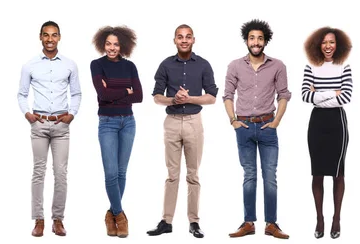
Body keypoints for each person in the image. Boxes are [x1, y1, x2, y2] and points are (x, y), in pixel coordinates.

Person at [146, 24, 218, 239]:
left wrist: (190, 98)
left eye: (188, 37)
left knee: (193, 174)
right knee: (172, 175)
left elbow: (212, 97)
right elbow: (157, 96)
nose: (184, 40)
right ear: (174, 40)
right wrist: (173, 99)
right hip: (172, 122)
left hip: (194, 122)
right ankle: (166, 221)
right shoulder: (165, 65)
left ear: (193, 40)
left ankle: (194, 222)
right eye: (180, 37)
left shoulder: (203, 65)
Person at [223, 19, 291, 239]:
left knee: (270, 176)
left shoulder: (278, 65)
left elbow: (283, 95)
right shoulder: (234, 66)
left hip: (267, 126)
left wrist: (277, 121)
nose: (256, 42)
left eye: (260, 38)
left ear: (265, 41)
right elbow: (227, 95)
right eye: (252, 38)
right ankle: (248, 223)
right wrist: (233, 120)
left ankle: (271, 224)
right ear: (246, 40)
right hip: (243, 127)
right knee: (249, 175)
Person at [17, 20, 82, 237]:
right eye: (46, 35)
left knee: (61, 173)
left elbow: (76, 93)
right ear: (40, 37)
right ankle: (39, 220)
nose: (50, 39)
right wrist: (28, 114)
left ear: (59, 37)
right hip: (39, 124)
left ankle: (58, 219)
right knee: (38, 172)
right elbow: (22, 94)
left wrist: (71, 115)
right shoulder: (30, 65)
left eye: (54, 35)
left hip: (61, 125)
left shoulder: (70, 65)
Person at [90, 25, 143, 238]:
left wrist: (113, 92)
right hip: (107, 123)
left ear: (123, 45)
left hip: (128, 122)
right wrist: (125, 90)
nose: (112, 48)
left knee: (122, 172)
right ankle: (120, 215)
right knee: (111, 173)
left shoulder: (130, 66)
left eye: (116, 44)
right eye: (108, 44)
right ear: (103, 45)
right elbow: (102, 95)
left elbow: (138, 96)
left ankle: (110, 214)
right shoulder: (97, 65)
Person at [301, 26, 353, 239]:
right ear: (318, 45)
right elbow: (305, 95)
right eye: (324, 42)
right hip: (317, 122)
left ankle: (336, 218)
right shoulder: (310, 66)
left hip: (337, 121)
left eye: (331, 42)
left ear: (337, 44)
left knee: (338, 172)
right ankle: (320, 218)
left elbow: (346, 97)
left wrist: (319, 94)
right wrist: (333, 91)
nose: (328, 46)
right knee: (317, 172)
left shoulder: (344, 66)